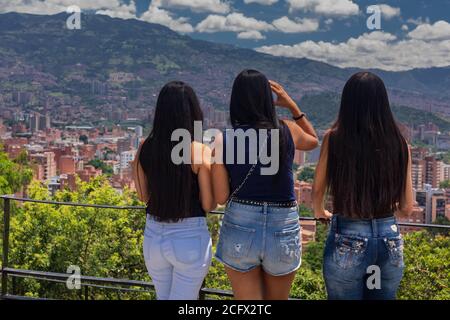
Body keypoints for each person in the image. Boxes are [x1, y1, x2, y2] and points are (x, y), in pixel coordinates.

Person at [211, 69, 319, 300]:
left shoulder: (224, 139)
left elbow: (220, 197)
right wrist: (292, 106)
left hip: (240, 224)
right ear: (266, 99)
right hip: (282, 225)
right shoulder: (288, 129)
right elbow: (313, 141)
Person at [312, 71, 413, 300]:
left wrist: (319, 210)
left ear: (347, 103)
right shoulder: (400, 144)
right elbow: (407, 207)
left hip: (349, 234)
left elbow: (318, 187)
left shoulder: (334, 138)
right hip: (389, 239)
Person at [132, 81, 216, 300]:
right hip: (189, 238)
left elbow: (143, 195)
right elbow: (208, 204)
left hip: (153, 236)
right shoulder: (199, 151)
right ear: (192, 112)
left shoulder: (145, 146)